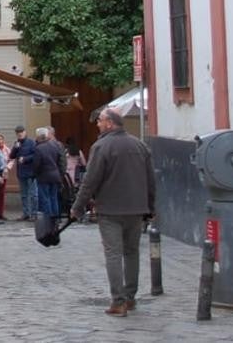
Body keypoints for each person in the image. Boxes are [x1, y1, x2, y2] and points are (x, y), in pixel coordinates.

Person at [70, 109, 156, 317]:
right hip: (136, 208)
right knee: (132, 252)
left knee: (114, 254)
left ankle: (118, 301)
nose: (97, 124)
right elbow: (151, 180)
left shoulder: (101, 147)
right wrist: (151, 207)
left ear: (109, 123)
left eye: (99, 121)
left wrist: (78, 206)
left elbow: (90, 181)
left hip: (110, 209)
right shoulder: (140, 145)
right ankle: (130, 297)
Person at [33, 127, 63, 218]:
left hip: (43, 176)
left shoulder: (38, 148)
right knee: (54, 198)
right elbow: (59, 160)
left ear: (38, 137)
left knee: (45, 199)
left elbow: (37, 164)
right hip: (55, 175)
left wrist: (35, 173)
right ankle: (56, 218)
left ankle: (49, 219)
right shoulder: (55, 145)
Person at [9, 125, 37, 220]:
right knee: (24, 194)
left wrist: (25, 159)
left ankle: (34, 213)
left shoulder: (31, 143)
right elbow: (12, 156)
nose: (19, 134)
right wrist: (15, 148)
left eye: (21, 132)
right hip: (21, 172)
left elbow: (35, 155)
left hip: (31, 172)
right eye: (18, 133)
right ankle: (26, 213)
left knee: (33, 194)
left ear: (25, 132)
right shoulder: (17, 143)